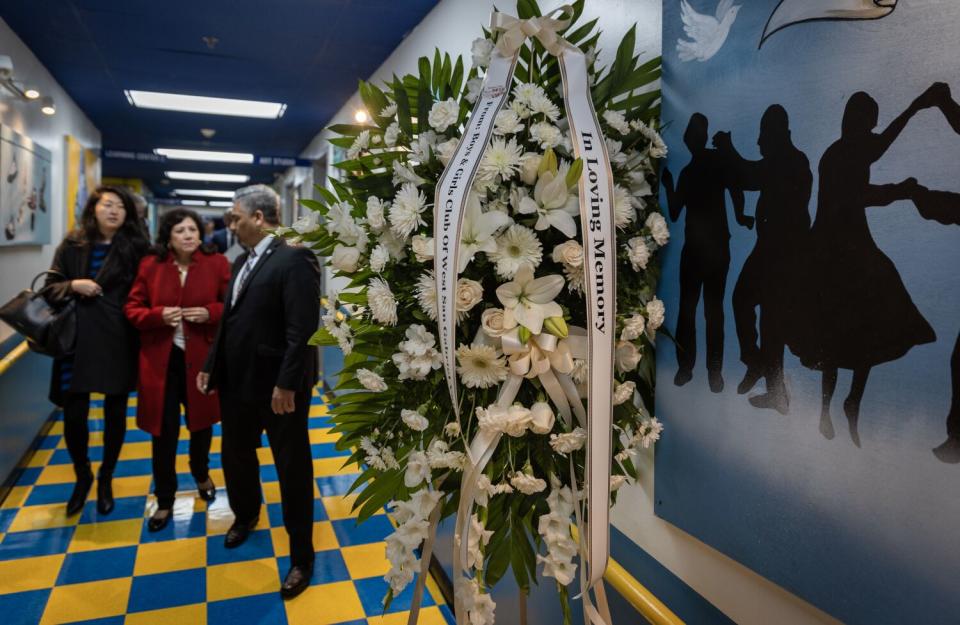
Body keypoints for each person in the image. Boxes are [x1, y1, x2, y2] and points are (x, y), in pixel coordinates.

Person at [790, 86, 942, 445]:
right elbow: (861, 195)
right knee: (838, 328)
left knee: (859, 327)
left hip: (848, 246)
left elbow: (882, 143)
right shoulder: (843, 154)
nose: (873, 131)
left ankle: (848, 403)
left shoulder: (846, 150)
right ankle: (831, 407)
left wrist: (917, 106)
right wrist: (900, 190)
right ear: (857, 123)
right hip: (834, 250)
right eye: (869, 124)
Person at [197, 184, 320, 599]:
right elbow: (229, 321)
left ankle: (302, 555)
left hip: (277, 388)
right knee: (235, 454)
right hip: (237, 384)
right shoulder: (240, 263)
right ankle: (245, 514)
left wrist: (286, 382)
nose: (228, 225)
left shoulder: (295, 258)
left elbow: (302, 328)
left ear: (258, 218)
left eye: (234, 217)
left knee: (292, 467)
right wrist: (211, 366)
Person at [45, 186, 149, 516]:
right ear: (94, 209)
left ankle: (106, 477)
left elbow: (148, 285)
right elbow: (49, 287)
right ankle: (83, 475)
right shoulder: (72, 244)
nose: (114, 211)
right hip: (74, 340)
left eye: (121, 206)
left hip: (117, 338)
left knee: (115, 415)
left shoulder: (136, 247)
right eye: (107, 204)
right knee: (73, 416)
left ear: (128, 214)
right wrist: (73, 285)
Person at [124, 209, 231, 531]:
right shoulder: (150, 265)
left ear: (202, 234)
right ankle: (165, 497)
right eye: (180, 230)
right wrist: (157, 315)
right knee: (164, 431)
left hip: (202, 361)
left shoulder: (218, 264)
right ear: (168, 236)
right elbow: (132, 308)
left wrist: (210, 312)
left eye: (193, 229)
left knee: (201, 426)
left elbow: (232, 307)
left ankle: (200, 472)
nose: (188, 235)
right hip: (162, 362)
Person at [713, 105, 813, 414]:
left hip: (780, 253)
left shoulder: (788, 162)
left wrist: (728, 149)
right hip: (772, 249)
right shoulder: (789, 161)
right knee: (750, 306)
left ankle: (772, 385)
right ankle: (761, 370)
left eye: (763, 134)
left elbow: (748, 176)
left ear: (776, 134)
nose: (758, 142)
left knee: (767, 318)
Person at [662, 112, 749, 393]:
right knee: (697, 310)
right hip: (700, 250)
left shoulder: (708, 165)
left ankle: (709, 370)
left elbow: (735, 187)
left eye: (693, 134)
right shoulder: (691, 171)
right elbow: (676, 212)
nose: (692, 140)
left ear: (694, 139)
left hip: (712, 250)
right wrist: (669, 186)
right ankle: (694, 368)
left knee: (707, 310)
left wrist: (740, 215)